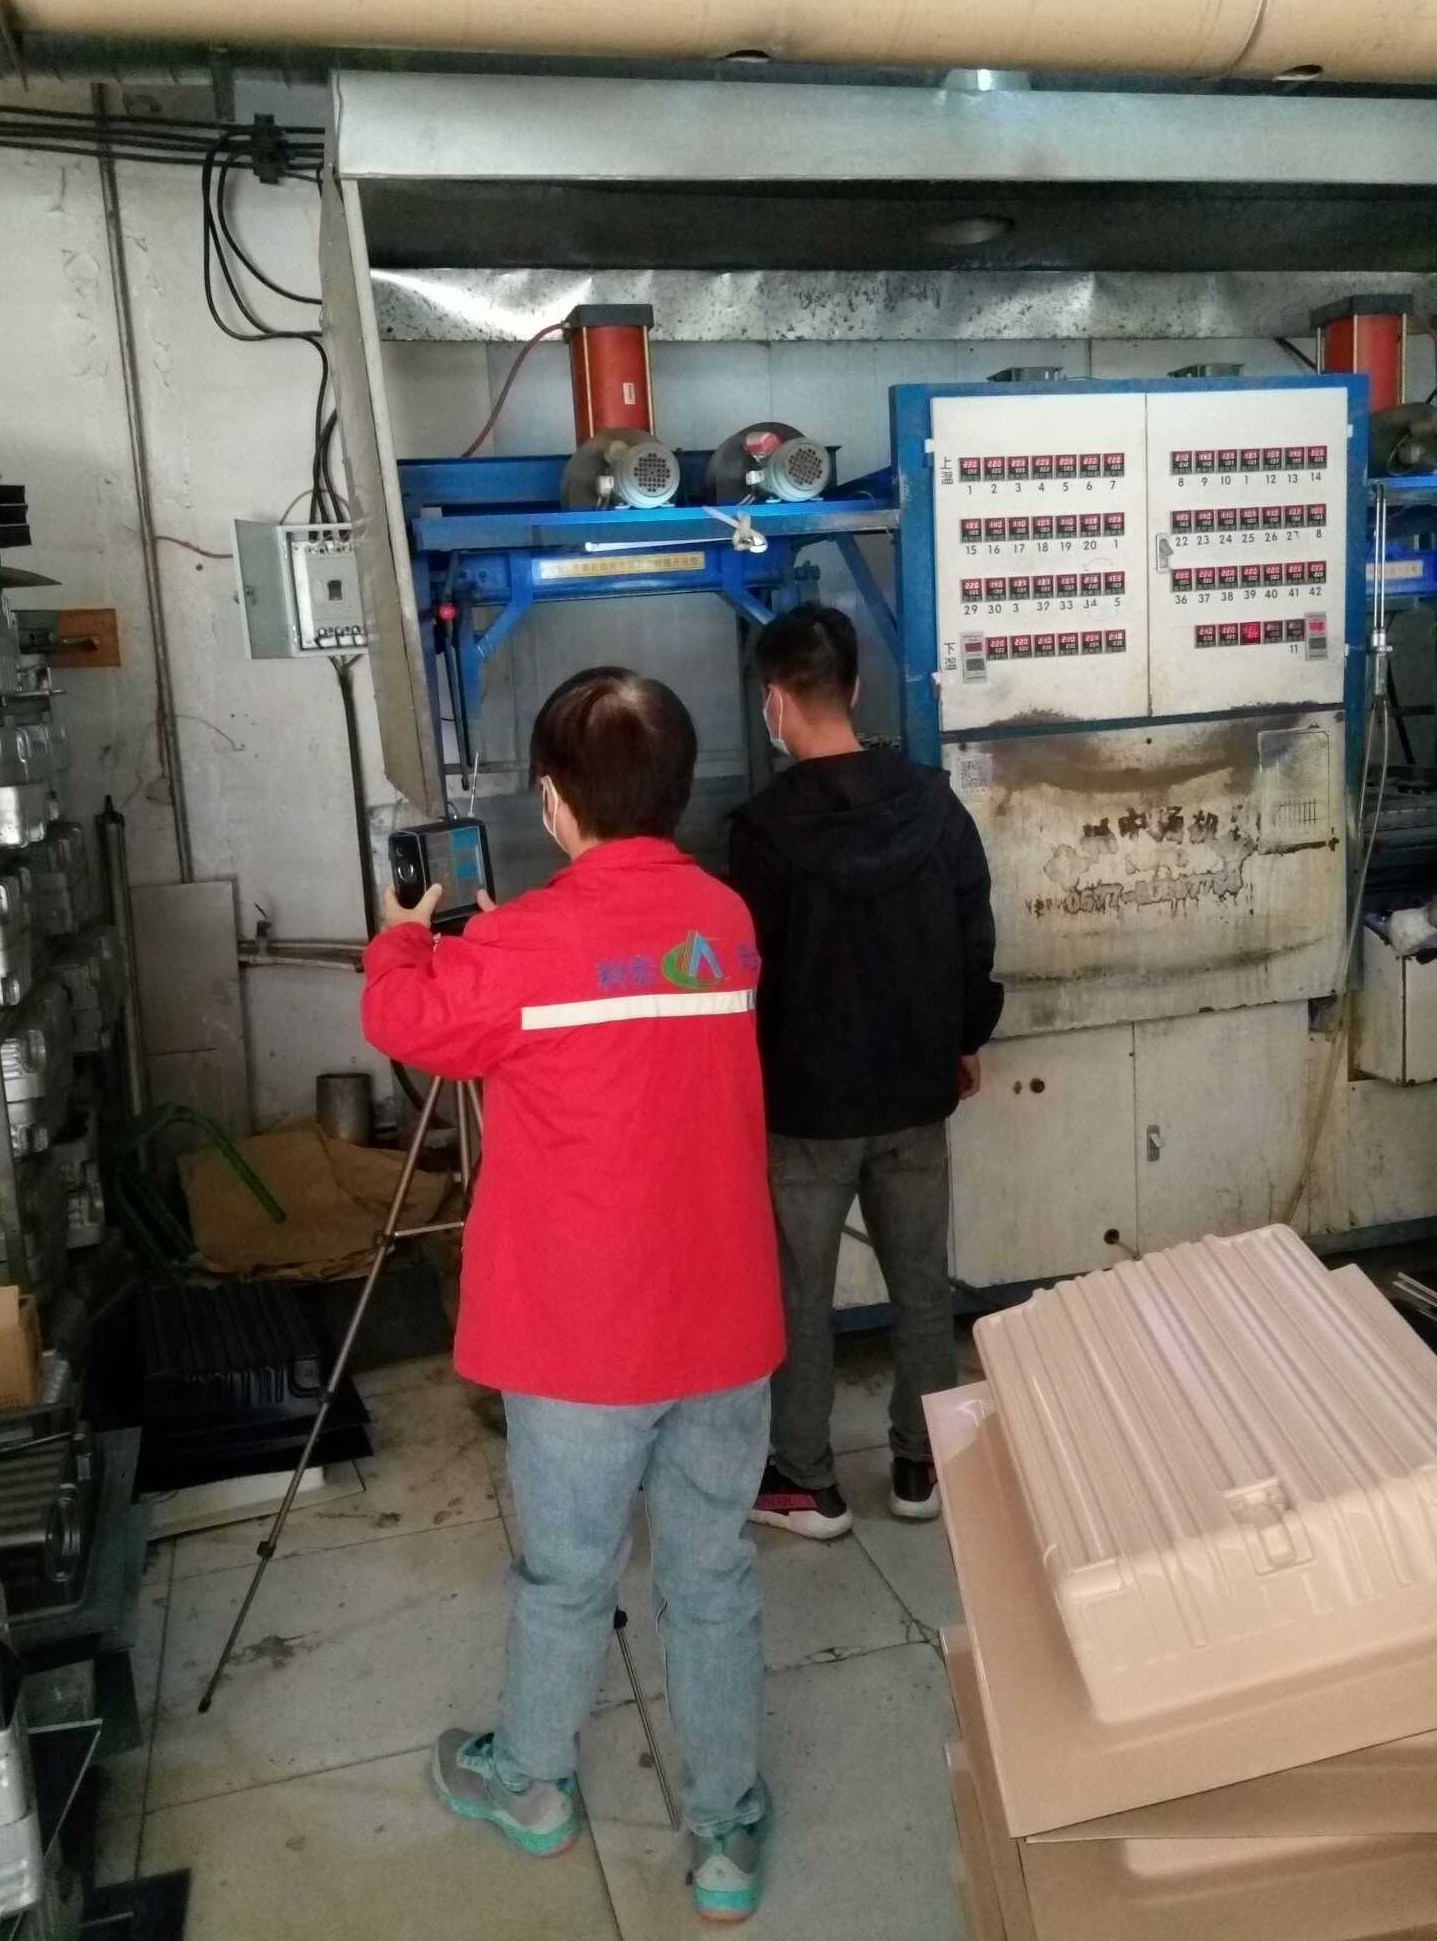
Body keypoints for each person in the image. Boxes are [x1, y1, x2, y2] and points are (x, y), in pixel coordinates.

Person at [361, 667, 784, 1924]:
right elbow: (629, 995)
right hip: (723, 1323)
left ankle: (534, 1783)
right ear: (679, 787)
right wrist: (517, 944)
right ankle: (724, 1833)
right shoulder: (728, 920)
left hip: (582, 1339)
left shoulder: (519, 946)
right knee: (711, 1576)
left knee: (567, 1572)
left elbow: (405, 1018)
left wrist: (405, 929)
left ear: (552, 800)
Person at [728, 605, 1003, 1540]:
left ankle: (806, 1482)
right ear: (852, 688)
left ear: (774, 701)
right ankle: (924, 1465)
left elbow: (746, 975)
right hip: (916, 1095)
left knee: (799, 1298)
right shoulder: (932, 804)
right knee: (922, 1284)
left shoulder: (761, 833)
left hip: (804, 1110)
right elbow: (972, 930)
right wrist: (964, 1038)